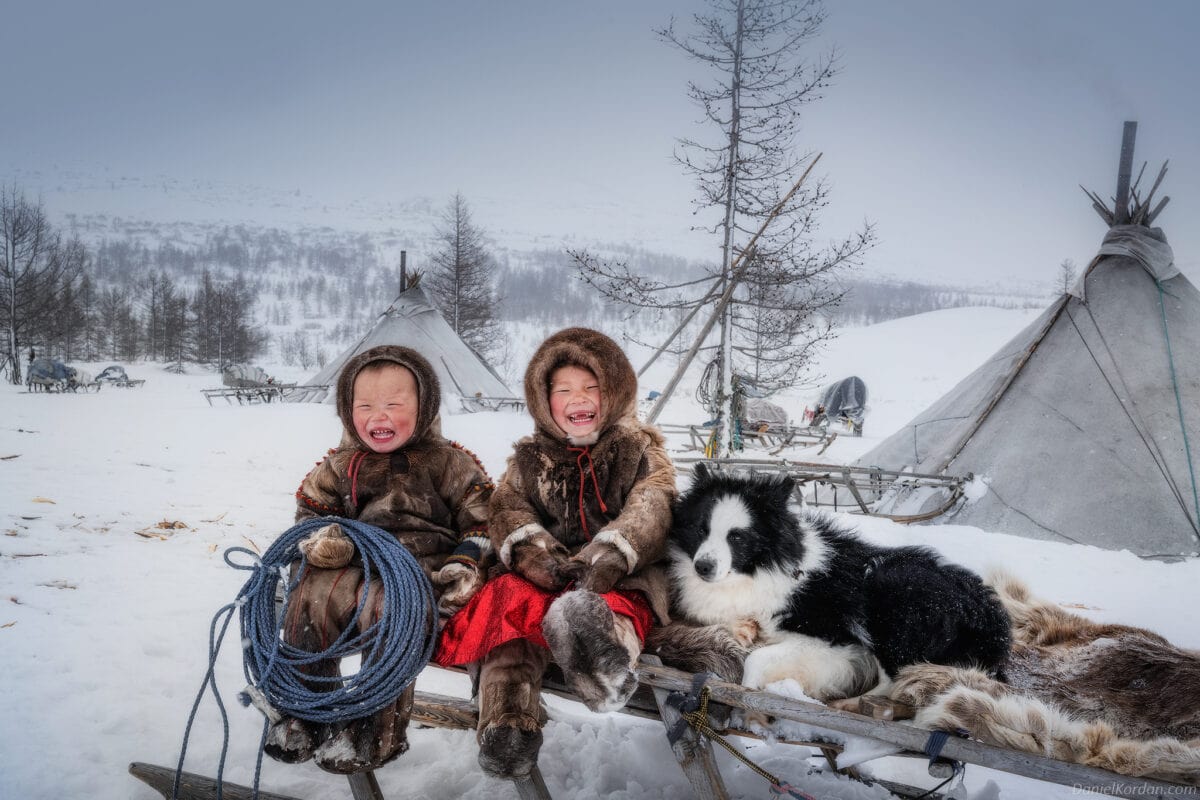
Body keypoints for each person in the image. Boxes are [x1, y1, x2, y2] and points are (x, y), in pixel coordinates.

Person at [435, 327, 676, 778]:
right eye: (563, 390)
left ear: (615, 392)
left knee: (611, 610)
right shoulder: (529, 459)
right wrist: (535, 554)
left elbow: (653, 506)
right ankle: (507, 723)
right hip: (546, 576)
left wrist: (607, 555)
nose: (577, 399)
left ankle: (604, 667)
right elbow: (507, 507)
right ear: (544, 400)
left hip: (619, 576)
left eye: (591, 387)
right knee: (507, 612)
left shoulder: (638, 450)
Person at [264, 345, 493, 774]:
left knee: (391, 610)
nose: (378, 416)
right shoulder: (339, 467)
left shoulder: (450, 464)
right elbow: (310, 516)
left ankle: (374, 730)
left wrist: (465, 562)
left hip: (422, 575)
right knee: (310, 595)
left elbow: (483, 523)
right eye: (364, 405)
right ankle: (306, 712)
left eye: (394, 404)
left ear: (424, 408)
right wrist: (323, 541)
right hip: (354, 568)